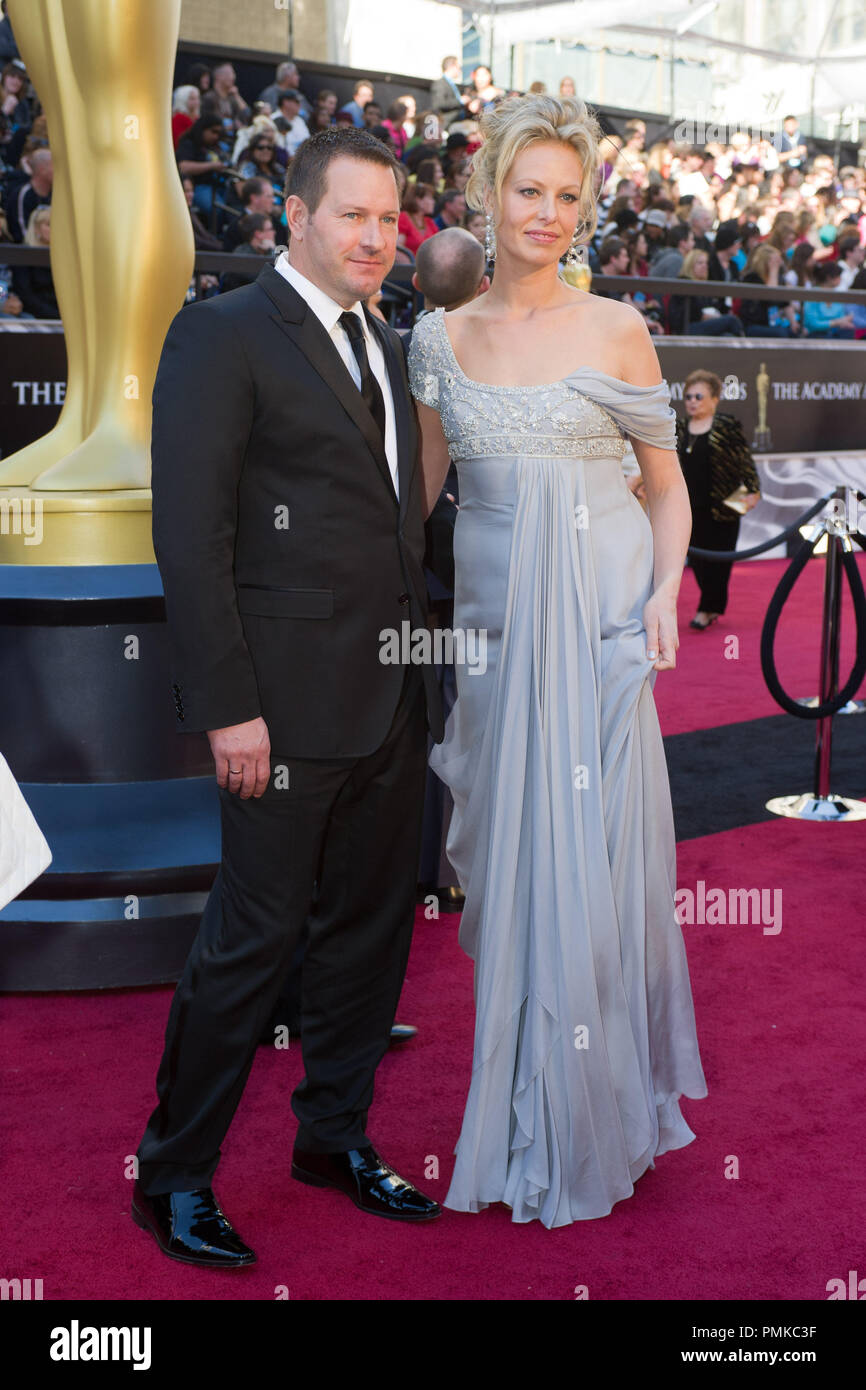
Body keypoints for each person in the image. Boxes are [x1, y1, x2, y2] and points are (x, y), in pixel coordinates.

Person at [133, 126, 444, 1268]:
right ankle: (169, 1177)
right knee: (250, 945)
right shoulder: (221, 336)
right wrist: (229, 708)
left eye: (387, 219)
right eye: (351, 215)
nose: (373, 238)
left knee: (369, 934)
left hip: (392, 701)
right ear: (295, 216)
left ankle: (334, 1140)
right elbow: (192, 535)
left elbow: (399, 524)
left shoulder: (397, 342)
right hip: (276, 712)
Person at [406, 93, 707, 1227]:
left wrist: (664, 598)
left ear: (584, 211)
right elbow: (422, 492)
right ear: (487, 194)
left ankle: (591, 1118)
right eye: (526, 190)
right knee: (517, 872)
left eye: (565, 196)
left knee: (591, 880)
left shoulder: (616, 328)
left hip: (597, 628)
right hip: (492, 641)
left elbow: (667, 491)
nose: (544, 212)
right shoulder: (436, 338)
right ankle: (524, 1106)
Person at [675, 369, 761, 630]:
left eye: (699, 396)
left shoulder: (726, 425)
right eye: (688, 396)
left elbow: (744, 460)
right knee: (698, 562)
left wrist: (753, 491)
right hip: (689, 508)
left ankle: (708, 608)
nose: (692, 401)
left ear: (714, 399)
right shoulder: (679, 427)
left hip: (725, 506)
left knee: (720, 563)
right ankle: (710, 604)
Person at [667, 249, 744, 335]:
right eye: (700, 263)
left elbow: (714, 306)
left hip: (702, 325)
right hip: (686, 328)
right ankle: (745, 345)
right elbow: (687, 314)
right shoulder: (684, 283)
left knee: (727, 335)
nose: (704, 266)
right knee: (732, 320)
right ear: (690, 265)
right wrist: (706, 316)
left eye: (706, 263)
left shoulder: (704, 285)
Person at [801, 260, 856, 338]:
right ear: (829, 277)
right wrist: (837, 322)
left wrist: (844, 322)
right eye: (838, 276)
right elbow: (812, 324)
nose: (840, 279)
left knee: (848, 332)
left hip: (835, 333)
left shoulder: (837, 295)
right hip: (816, 334)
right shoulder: (813, 294)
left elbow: (841, 317)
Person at [398, 181, 437, 255]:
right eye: (430, 198)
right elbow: (399, 250)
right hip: (409, 265)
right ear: (418, 201)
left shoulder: (429, 222)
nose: (433, 202)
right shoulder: (403, 218)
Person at [430, 55, 469, 129]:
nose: (460, 70)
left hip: (455, 121)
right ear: (452, 67)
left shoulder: (451, 83)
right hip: (448, 123)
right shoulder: (440, 83)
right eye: (459, 67)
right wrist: (460, 101)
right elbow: (439, 103)